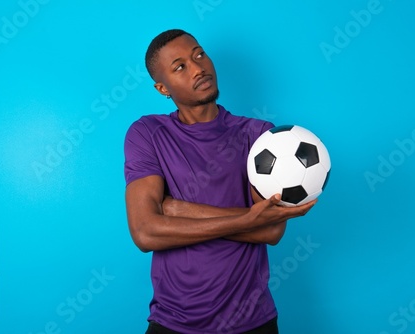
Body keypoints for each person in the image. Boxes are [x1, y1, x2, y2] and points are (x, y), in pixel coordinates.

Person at [124, 29, 316, 334]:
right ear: (162, 88)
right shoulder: (148, 133)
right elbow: (145, 232)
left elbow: (270, 229)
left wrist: (177, 210)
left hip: (253, 321)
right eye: (180, 67)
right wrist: (249, 218)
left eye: (199, 54)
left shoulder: (259, 136)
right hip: (174, 322)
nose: (198, 68)